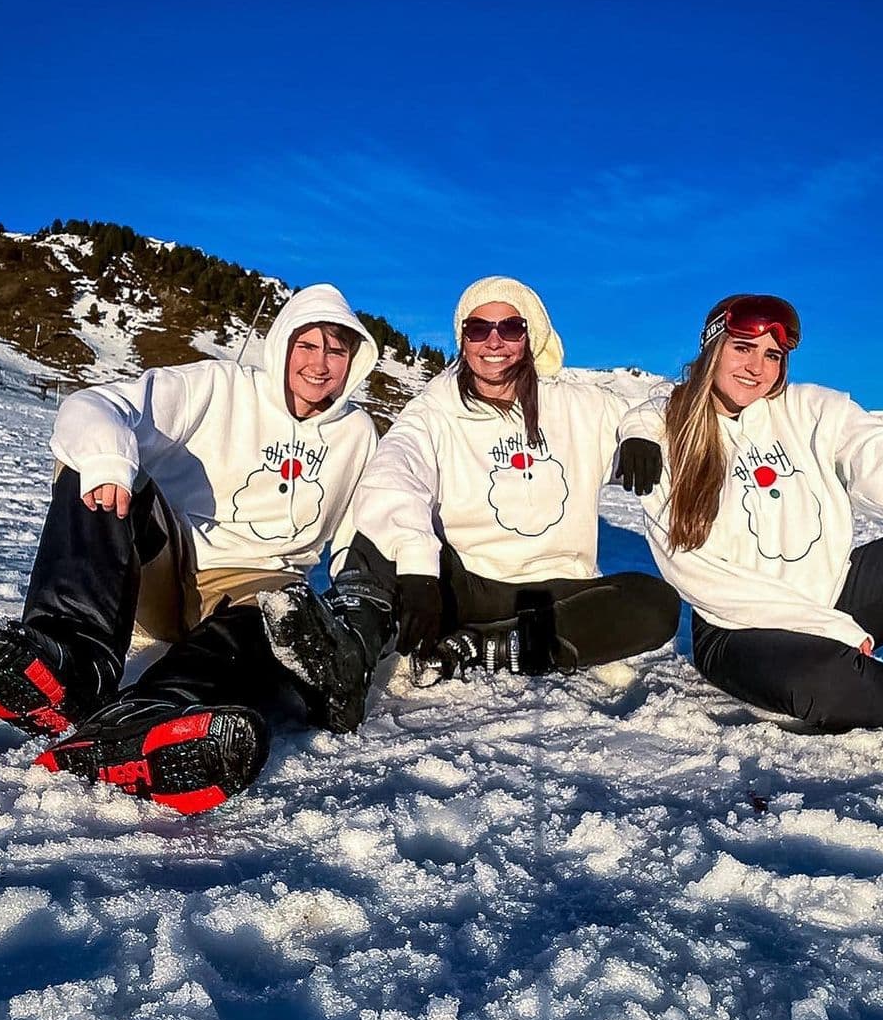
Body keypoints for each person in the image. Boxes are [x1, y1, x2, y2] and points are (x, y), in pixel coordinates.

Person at [0, 284, 380, 812]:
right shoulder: (220, 387)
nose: (320, 364)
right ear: (282, 345)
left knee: (277, 613)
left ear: (354, 361)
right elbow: (95, 405)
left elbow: (365, 530)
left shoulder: (359, 433)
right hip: (173, 564)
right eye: (308, 345)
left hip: (256, 584)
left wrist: (360, 619)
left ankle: (148, 715)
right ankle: (71, 663)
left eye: (337, 350)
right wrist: (110, 462)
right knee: (90, 468)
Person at [261, 276, 681, 726]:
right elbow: (395, 473)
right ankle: (349, 657)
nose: (494, 341)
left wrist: (642, 430)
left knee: (656, 603)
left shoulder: (581, 404)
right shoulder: (435, 409)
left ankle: (484, 647)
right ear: (463, 339)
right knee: (381, 540)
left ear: (531, 335)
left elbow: (670, 400)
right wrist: (419, 567)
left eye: (510, 327)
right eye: (478, 329)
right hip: (460, 585)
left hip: (551, 591)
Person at [615, 293, 883, 738]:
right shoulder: (663, 439)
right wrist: (825, 627)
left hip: (833, 590)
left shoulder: (812, 411)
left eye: (773, 355)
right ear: (712, 348)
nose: (756, 368)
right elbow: (695, 572)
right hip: (739, 627)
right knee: (822, 681)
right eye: (743, 347)